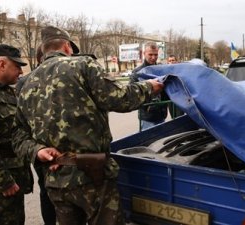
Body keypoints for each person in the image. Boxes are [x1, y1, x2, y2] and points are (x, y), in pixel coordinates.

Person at [12, 25, 164, 225]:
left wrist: (37, 150)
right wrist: (149, 87)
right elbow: (119, 98)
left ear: (44, 50)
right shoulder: (83, 65)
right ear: (67, 47)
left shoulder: (26, 83)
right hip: (93, 178)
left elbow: (17, 136)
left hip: (57, 182)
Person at [0, 44, 33, 225]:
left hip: (15, 176)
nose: (20, 71)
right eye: (17, 66)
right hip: (0, 185)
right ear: (2, 64)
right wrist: (3, 182)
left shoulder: (7, 91)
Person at [16, 46, 57, 225]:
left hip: (40, 148)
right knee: (48, 191)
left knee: (48, 190)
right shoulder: (25, 82)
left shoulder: (24, 81)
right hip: (43, 150)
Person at [130, 41, 168, 130]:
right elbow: (131, 94)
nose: (153, 57)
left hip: (162, 115)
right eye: (150, 54)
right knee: (149, 143)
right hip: (147, 118)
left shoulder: (162, 69)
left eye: (155, 55)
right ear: (144, 54)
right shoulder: (137, 72)